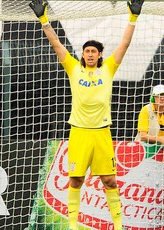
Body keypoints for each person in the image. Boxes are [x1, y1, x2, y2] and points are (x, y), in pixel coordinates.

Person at [29, 0, 143, 229]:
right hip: (79, 133)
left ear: (100, 55)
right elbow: (56, 43)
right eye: (87, 51)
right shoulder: (73, 68)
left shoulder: (108, 68)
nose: (90, 54)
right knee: (76, 180)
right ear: (82, 54)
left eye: (94, 51)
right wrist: (44, 20)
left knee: (110, 181)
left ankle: (118, 226)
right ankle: (72, 226)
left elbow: (124, 44)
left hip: (101, 133)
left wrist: (133, 17)